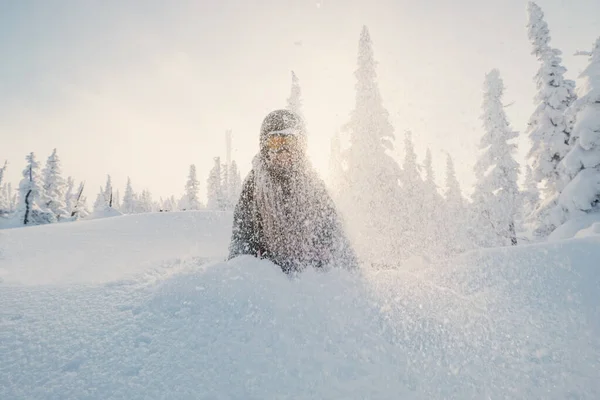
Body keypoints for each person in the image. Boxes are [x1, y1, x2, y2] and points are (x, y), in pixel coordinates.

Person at [227, 109, 357, 273]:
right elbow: (242, 238)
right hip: (271, 277)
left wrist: (348, 275)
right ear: (265, 146)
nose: (283, 150)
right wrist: (246, 273)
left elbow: (335, 235)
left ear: (300, 147)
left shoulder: (313, 184)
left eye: (290, 142)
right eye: (276, 141)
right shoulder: (254, 185)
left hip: (310, 275)